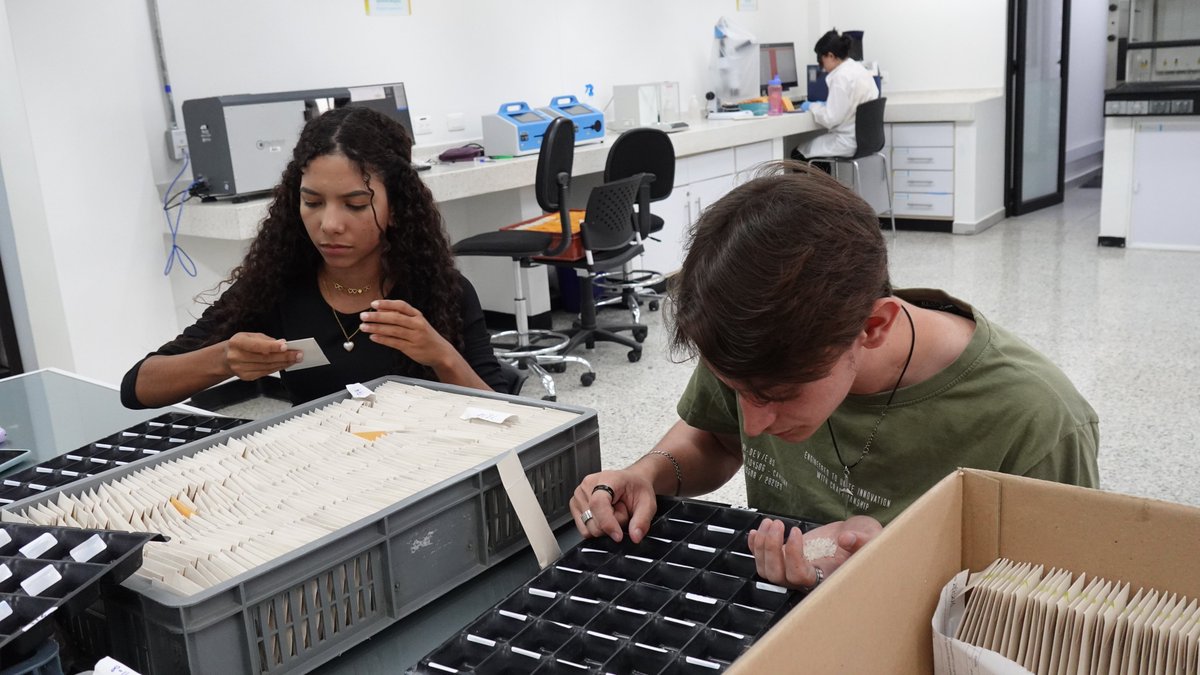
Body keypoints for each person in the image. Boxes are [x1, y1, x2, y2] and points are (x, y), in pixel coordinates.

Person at [570, 163, 1099, 591]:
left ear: (873, 326)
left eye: (776, 395)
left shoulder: (1038, 421)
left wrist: (894, 574)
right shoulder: (750, 346)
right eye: (737, 391)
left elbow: (1053, 610)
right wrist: (648, 475)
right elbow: (717, 436)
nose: (754, 422)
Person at [121, 106, 506, 409]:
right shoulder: (275, 288)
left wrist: (442, 356)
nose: (329, 224)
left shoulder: (442, 292)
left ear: (399, 207)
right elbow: (138, 387)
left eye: (356, 204)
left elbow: (516, 417)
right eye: (312, 202)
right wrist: (223, 359)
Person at [792, 29, 880, 160]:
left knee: (797, 155)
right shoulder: (858, 69)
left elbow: (830, 119)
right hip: (868, 140)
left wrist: (811, 106)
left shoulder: (840, 77)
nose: (821, 67)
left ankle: (821, 181)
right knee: (817, 151)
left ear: (831, 56)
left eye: (821, 61)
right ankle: (824, 181)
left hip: (847, 140)